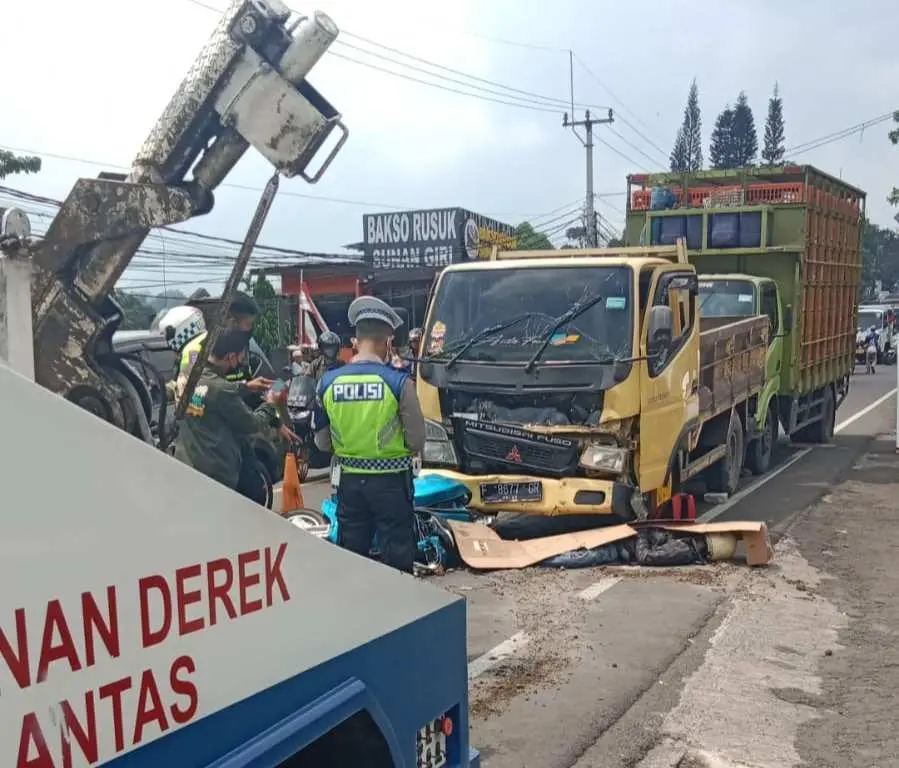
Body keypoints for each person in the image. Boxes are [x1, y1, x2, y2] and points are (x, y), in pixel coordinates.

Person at [312, 296, 425, 573]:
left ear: (355, 339)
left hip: (349, 484)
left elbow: (321, 441)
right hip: (391, 485)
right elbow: (416, 440)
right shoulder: (398, 382)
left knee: (353, 559)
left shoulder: (327, 383)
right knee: (397, 558)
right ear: (387, 340)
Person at [173, 329, 287, 497]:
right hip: (216, 472)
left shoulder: (188, 372)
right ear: (231, 357)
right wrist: (270, 403)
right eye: (242, 356)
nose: (242, 360)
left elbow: (208, 394)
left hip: (187, 464)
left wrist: (245, 386)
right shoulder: (222, 389)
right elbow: (252, 424)